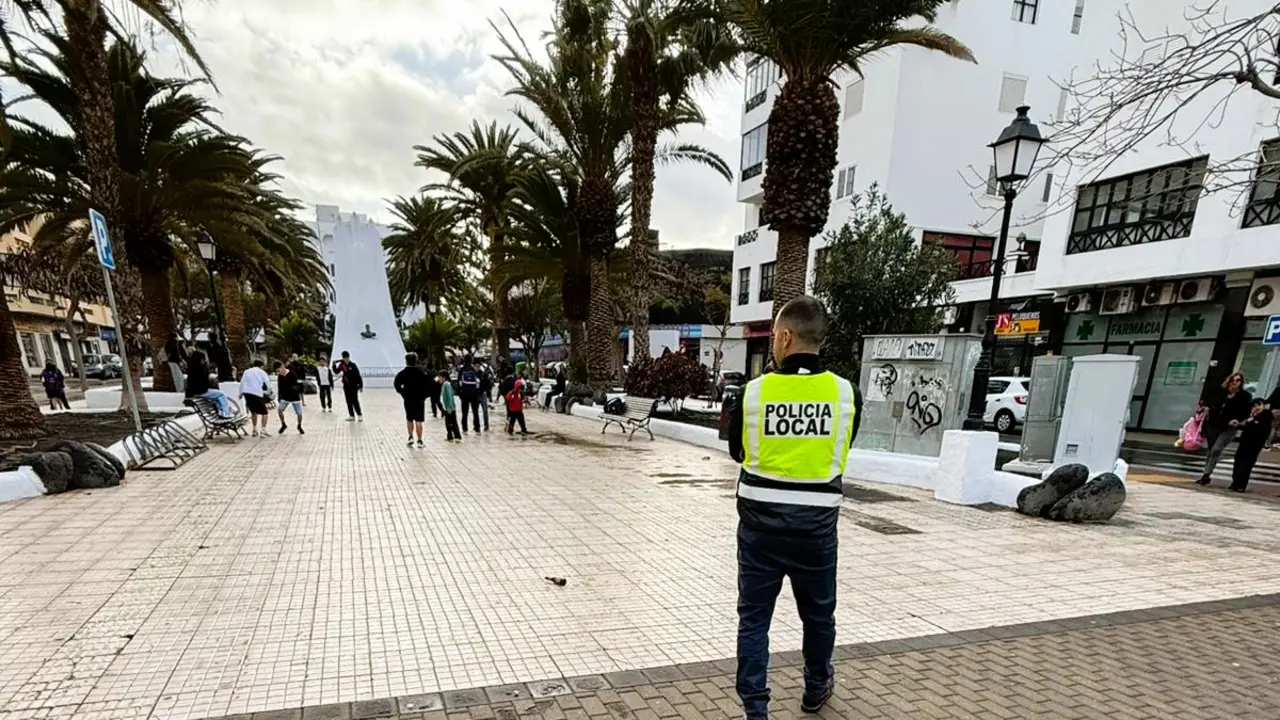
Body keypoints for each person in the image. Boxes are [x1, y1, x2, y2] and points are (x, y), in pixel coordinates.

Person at [725, 296, 862, 720]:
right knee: (818, 617)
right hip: (816, 534)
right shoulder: (845, 394)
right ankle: (816, 686)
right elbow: (843, 446)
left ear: (785, 337)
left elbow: (738, 451)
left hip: (759, 533)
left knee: (754, 620)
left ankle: (755, 710)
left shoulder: (753, 393)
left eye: (773, 337)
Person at [1197, 372, 1252, 485]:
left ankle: (1206, 474)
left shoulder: (1245, 396)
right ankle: (1206, 475)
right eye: (1233, 380)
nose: (1235, 383)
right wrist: (1207, 409)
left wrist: (1238, 421)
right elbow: (1210, 402)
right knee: (1211, 451)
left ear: (1241, 383)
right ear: (1229, 381)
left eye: (1238, 381)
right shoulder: (1220, 392)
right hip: (1213, 424)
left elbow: (1245, 412)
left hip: (1229, 427)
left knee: (1216, 450)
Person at [1230, 398, 1270, 493]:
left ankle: (1241, 485)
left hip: (1255, 444)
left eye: (1258, 405)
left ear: (1263, 406)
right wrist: (1240, 425)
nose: (1256, 408)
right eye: (1254, 406)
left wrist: (1251, 421)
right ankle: (1235, 483)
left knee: (1246, 464)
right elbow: (1247, 428)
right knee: (1238, 461)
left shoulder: (1266, 416)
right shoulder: (1250, 415)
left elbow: (1258, 430)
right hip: (1245, 441)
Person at [395, 353, 430, 447]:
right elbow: (428, 385)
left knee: (409, 418)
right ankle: (419, 440)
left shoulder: (403, 373)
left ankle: (410, 437)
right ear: (416, 361)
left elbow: (396, 384)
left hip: (408, 399)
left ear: (406, 361)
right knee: (419, 420)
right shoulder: (421, 372)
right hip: (419, 399)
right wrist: (424, 396)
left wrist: (403, 393)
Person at [185, 350, 235, 417]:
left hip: (197, 391)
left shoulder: (192, 369)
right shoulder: (200, 369)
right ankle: (225, 412)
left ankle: (224, 410)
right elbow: (205, 382)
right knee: (221, 395)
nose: (204, 361)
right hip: (201, 391)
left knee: (218, 395)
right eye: (203, 359)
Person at [239, 359, 272, 437]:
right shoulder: (262, 372)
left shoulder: (246, 371)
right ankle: (263, 430)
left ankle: (254, 430)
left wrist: (240, 393)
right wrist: (267, 392)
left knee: (253, 411)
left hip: (247, 393)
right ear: (261, 366)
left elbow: (242, 383)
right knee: (265, 412)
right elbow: (269, 386)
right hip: (257, 393)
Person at [274, 360, 305, 435]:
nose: (278, 372)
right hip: (285, 397)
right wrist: (279, 397)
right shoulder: (280, 376)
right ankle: (283, 424)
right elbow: (279, 387)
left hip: (294, 396)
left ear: (282, 367)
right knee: (280, 410)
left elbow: (295, 385)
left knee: (299, 413)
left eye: (279, 370)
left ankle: (299, 426)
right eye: (277, 371)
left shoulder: (292, 373)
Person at [333, 351, 364, 421]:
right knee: (348, 401)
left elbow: (358, 375)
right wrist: (334, 365)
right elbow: (336, 371)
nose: (346, 359)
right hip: (346, 386)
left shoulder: (353, 365)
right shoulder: (342, 365)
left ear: (349, 357)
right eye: (344, 358)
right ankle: (351, 415)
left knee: (355, 400)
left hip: (354, 386)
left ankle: (359, 414)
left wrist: (361, 385)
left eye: (347, 358)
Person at [457, 359, 482, 433]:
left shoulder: (461, 370)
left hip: (464, 394)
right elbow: (478, 382)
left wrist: (459, 394)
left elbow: (459, 383)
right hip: (474, 394)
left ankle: (465, 428)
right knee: (475, 412)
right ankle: (477, 428)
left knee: (464, 413)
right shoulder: (474, 370)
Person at [437, 370, 461, 443]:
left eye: (440, 377)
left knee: (453, 423)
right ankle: (450, 436)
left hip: (450, 408)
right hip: (447, 407)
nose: (439, 379)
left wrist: (449, 407)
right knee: (448, 423)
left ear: (444, 378)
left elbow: (450, 397)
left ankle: (457, 436)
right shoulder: (445, 385)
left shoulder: (447, 385)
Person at [476, 360, 493, 431]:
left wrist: (488, 394)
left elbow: (488, 384)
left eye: (478, 366)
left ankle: (486, 425)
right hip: (475, 394)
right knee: (475, 411)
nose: (477, 367)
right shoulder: (472, 373)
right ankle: (476, 426)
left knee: (485, 410)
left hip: (482, 393)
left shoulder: (484, 373)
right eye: (476, 366)